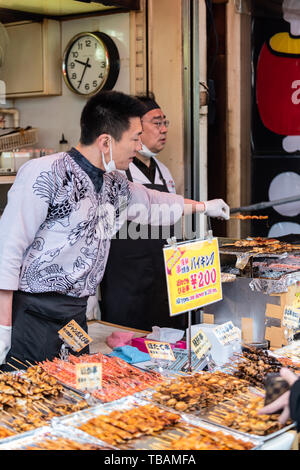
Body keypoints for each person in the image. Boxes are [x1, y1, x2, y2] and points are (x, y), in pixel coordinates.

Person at [0, 90, 229, 370]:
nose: (137, 146)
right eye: (134, 138)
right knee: (30, 399)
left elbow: (152, 202)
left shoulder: (114, 183)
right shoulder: (44, 172)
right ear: (105, 141)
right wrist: (3, 327)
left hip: (75, 314)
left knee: (73, 394)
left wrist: (204, 206)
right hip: (33, 312)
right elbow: (8, 250)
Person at [100, 92, 229, 331]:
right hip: (126, 281)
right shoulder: (115, 175)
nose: (164, 129)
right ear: (135, 129)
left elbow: (168, 209)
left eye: (165, 122)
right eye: (156, 123)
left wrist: (203, 209)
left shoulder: (164, 172)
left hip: (162, 279)